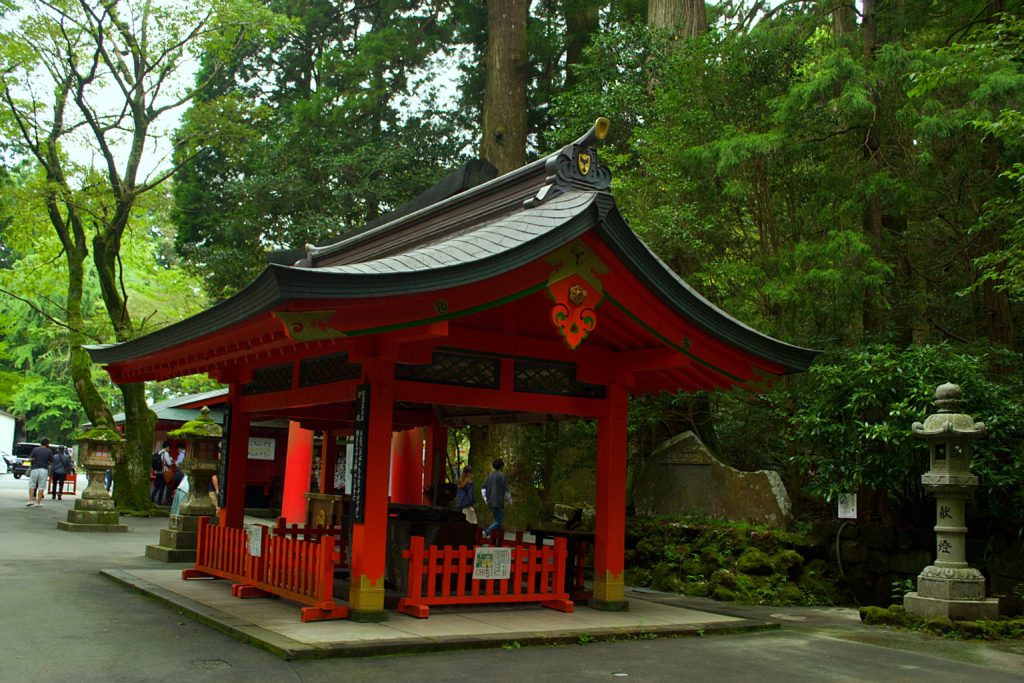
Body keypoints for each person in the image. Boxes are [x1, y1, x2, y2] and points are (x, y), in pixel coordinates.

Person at [481, 458, 511, 538]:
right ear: (501, 466)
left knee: (496, 521)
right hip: (498, 502)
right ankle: (485, 532)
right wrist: (510, 501)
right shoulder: (502, 476)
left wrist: (485, 499)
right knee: (499, 522)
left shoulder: (489, 475)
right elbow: (506, 491)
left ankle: (495, 538)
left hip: (490, 502)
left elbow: (483, 488)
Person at [26, 438, 53, 507]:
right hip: (44, 469)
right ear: (47, 444)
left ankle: (30, 500)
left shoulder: (35, 449)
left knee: (32, 485)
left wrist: (34, 460)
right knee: (41, 486)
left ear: (40, 443)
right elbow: (51, 461)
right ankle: (38, 502)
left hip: (35, 469)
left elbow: (30, 458)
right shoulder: (49, 451)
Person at [150, 440, 171, 505]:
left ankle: (152, 499)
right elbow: (169, 463)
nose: (169, 449)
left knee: (157, 487)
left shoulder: (158, 452)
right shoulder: (166, 453)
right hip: (163, 472)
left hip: (157, 472)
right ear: (167, 447)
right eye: (169, 448)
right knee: (162, 487)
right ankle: (159, 501)